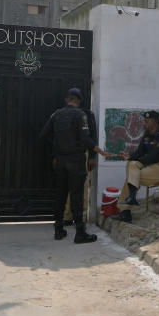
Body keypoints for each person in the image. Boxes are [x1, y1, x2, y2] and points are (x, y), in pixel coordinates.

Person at [39, 88, 109, 243]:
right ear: (78, 101)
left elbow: (43, 135)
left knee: (60, 195)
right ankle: (80, 233)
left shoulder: (56, 114)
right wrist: (97, 150)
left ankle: (58, 230)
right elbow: (85, 138)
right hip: (76, 161)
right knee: (77, 196)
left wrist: (55, 151)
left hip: (60, 161)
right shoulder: (81, 115)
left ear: (66, 100)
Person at [115, 111, 159, 220]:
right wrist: (129, 157)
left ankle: (126, 211)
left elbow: (151, 157)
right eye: (144, 121)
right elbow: (139, 153)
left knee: (133, 176)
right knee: (132, 165)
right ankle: (131, 200)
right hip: (151, 166)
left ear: (156, 122)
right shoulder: (146, 136)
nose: (144, 123)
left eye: (147, 121)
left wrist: (133, 159)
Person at [62, 88, 98, 226]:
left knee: (81, 188)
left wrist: (92, 156)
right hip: (66, 155)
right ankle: (67, 216)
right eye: (70, 99)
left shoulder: (87, 114)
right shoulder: (61, 114)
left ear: (79, 101)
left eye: (75, 99)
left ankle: (80, 216)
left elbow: (92, 136)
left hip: (83, 154)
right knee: (67, 186)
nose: (72, 102)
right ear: (66, 100)